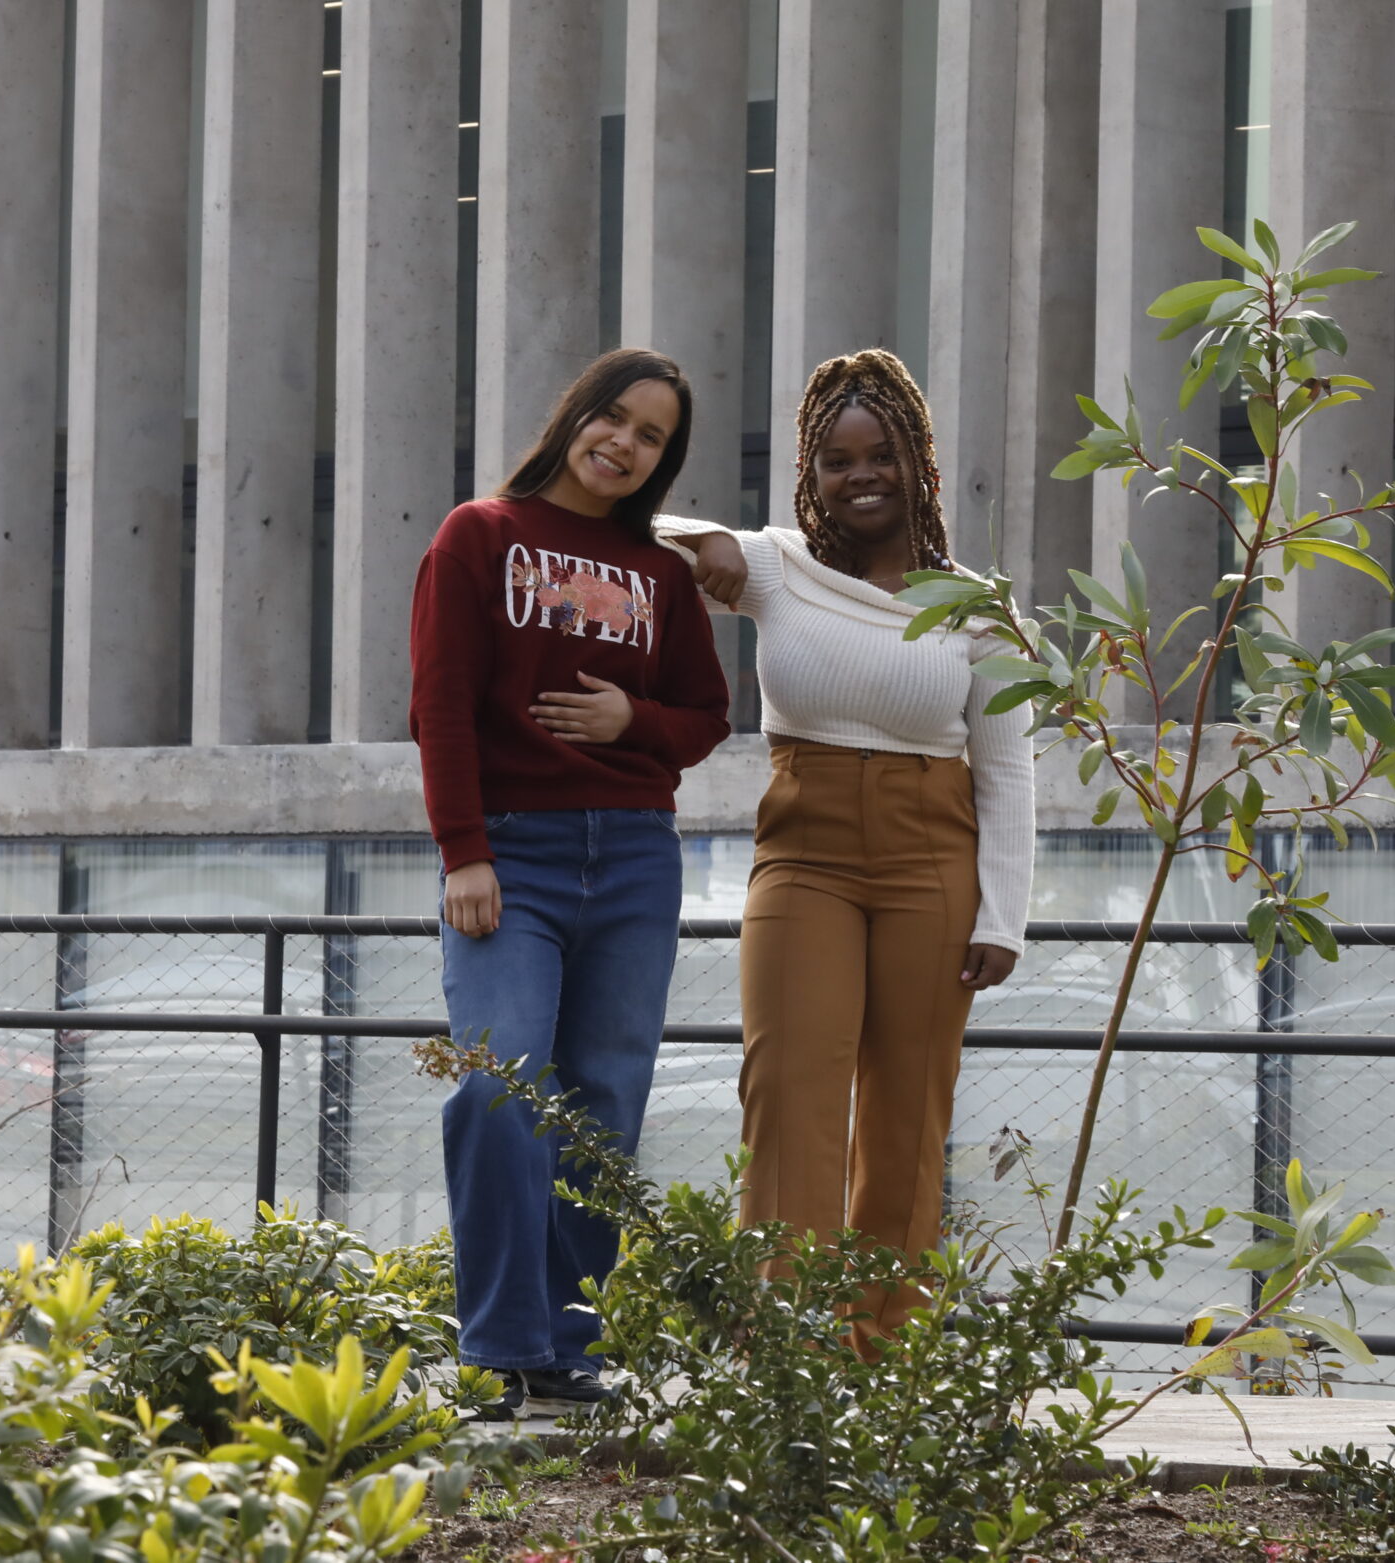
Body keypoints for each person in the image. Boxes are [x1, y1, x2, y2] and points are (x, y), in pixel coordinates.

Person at [660, 348, 1034, 1340]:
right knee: (789, 1096)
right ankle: (783, 1354)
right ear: (807, 473)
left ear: (920, 463)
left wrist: (1003, 916)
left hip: (931, 859)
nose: (859, 475)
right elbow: (635, 530)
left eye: (880, 455)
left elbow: (1007, 772)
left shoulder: (979, 607)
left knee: (909, 1118)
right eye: (835, 459)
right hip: (804, 856)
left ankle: (879, 1352)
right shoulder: (776, 569)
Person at [408, 347, 732, 1418]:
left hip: (636, 854)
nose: (625, 445)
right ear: (575, 415)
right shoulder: (480, 535)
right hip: (513, 849)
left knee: (603, 1104)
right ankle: (500, 1346)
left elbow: (707, 718)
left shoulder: (664, 579)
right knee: (501, 1085)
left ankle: (566, 1345)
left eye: (651, 437)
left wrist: (631, 719)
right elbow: (440, 705)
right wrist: (463, 852)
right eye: (615, 418)